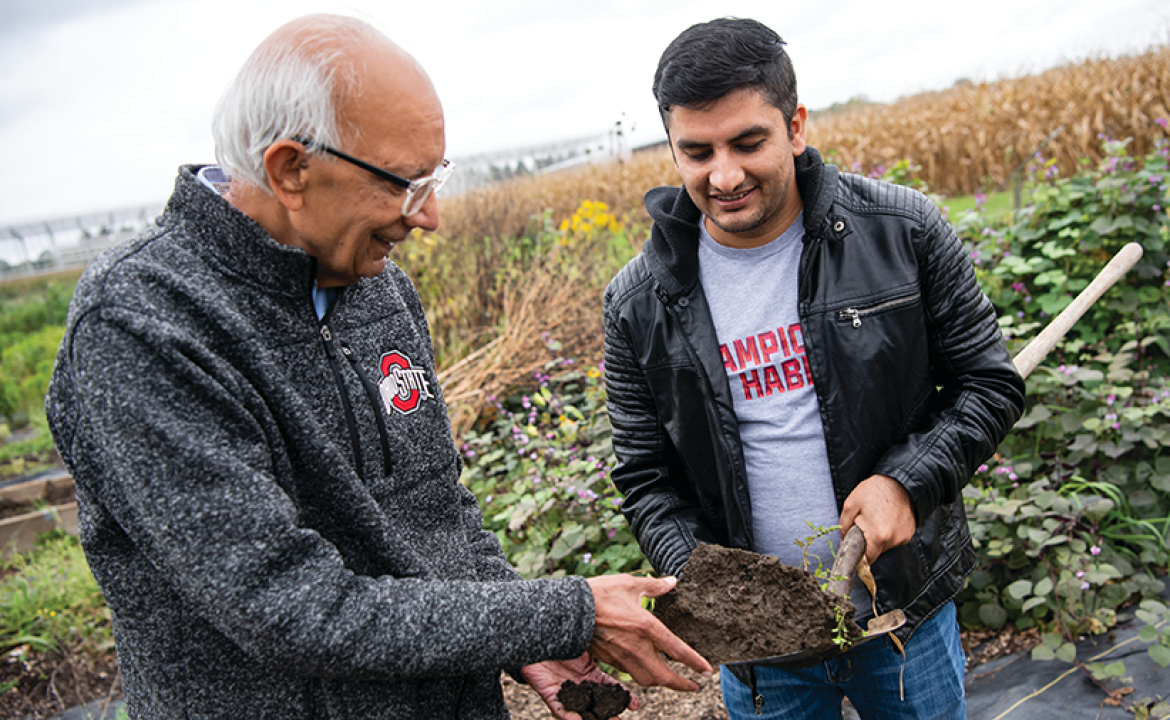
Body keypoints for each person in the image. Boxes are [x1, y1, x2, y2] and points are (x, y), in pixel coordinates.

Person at [45, 14, 710, 720]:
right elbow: (288, 608)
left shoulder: (374, 283)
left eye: (435, 178)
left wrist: (518, 636)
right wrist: (558, 614)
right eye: (408, 183)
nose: (429, 217)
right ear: (290, 169)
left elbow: (437, 506)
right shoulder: (143, 323)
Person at [602, 17, 1025, 720]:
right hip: (763, 650)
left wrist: (905, 483)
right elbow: (646, 478)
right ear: (672, 148)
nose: (724, 174)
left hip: (901, 618)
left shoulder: (904, 231)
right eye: (696, 151)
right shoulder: (638, 302)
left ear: (794, 127)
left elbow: (989, 383)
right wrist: (714, 586)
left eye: (748, 142)